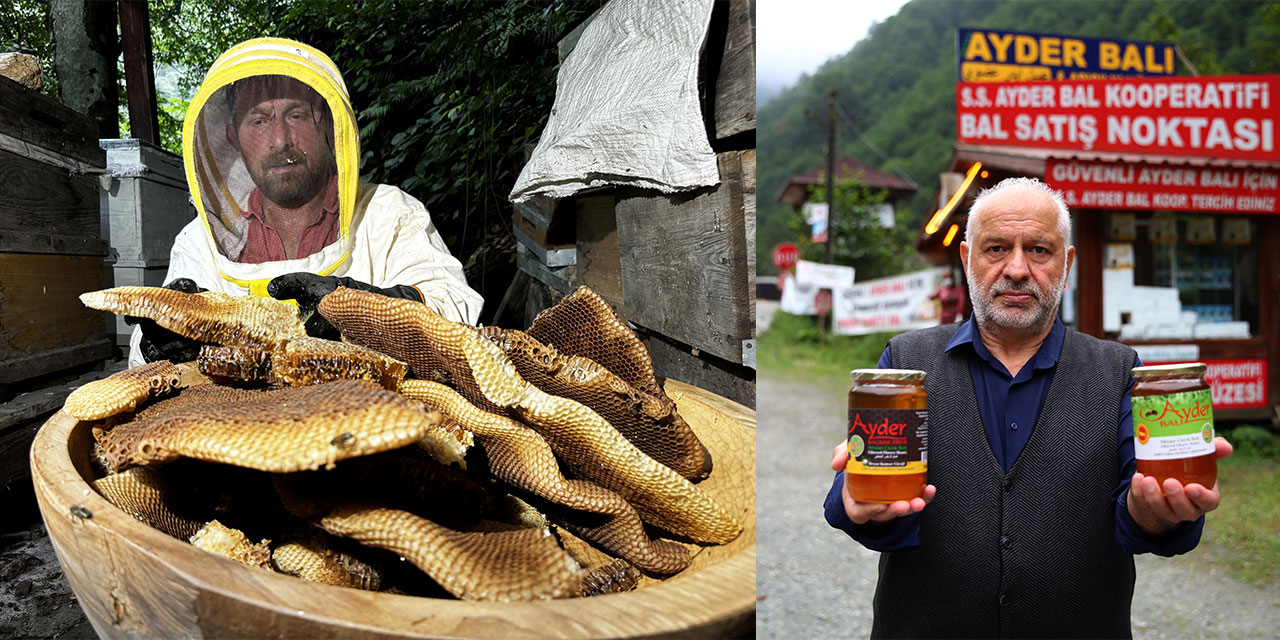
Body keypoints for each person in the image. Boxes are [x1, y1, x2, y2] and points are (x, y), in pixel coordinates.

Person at [823, 177, 1232, 638]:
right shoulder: (905, 363)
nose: (1016, 269)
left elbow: (1140, 507)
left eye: (1039, 250)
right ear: (966, 257)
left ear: (1067, 263)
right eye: (996, 248)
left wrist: (1153, 513)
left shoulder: (1118, 370)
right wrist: (855, 501)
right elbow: (856, 494)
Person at [129, 38, 482, 366]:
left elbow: (457, 311)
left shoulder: (390, 213)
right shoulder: (199, 243)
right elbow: (141, 357)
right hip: (238, 428)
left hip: (373, 425)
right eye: (259, 120)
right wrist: (167, 346)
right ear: (233, 138)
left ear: (328, 126)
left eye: (297, 114)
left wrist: (366, 309)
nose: (281, 140)